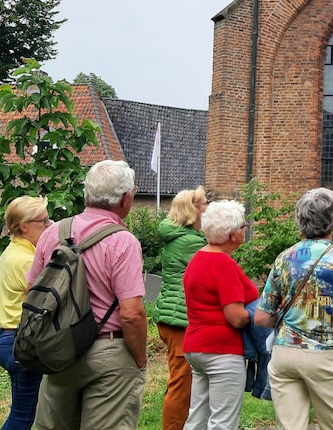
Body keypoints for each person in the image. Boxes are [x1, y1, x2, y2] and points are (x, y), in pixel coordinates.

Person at [26, 160, 148, 430]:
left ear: (87, 193)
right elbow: (131, 314)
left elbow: (32, 293)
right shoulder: (123, 241)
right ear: (125, 199)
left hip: (58, 347)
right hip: (109, 349)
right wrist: (139, 359)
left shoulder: (52, 233)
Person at [254, 187, 333, 430]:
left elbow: (261, 317)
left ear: (300, 220)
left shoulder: (284, 258)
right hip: (325, 355)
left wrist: (285, 319)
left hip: (284, 355)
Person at [182, 199, 261, 429]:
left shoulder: (198, 259)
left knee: (197, 418)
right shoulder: (224, 264)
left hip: (196, 346)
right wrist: (257, 315)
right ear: (232, 234)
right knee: (222, 422)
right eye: (244, 227)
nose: (245, 231)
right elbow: (235, 316)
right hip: (222, 351)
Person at [0, 195, 51, 430]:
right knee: (23, 416)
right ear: (24, 226)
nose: (49, 226)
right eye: (44, 222)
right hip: (22, 341)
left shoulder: (13, 252)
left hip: (10, 339)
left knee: (25, 412)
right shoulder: (26, 260)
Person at [155, 186, 209, 430]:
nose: (208, 208)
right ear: (192, 210)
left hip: (172, 316)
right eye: (204, 204)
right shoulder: (190, 242)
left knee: (180, 379)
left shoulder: (179, 236)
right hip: (180, 320)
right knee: (181, 383)